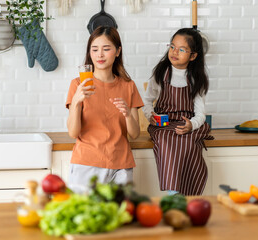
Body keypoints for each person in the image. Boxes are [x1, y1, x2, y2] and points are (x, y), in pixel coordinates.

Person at [65, 26, 144, 191]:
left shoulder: (128, 86)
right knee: (87, 215)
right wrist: (76, 103)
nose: (99, 54)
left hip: (121, 166)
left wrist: (128, 115)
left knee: (120, 216)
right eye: (94, 49)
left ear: (117, 51)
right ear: (90, 53)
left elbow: (135, 134)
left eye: (106, 49)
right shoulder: (78, 85)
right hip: (87, 164)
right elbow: (73, 133)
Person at [143, 28, 213, 196]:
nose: (174, 52)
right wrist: (150, 116)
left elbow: (200, 114)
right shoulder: (160, 74)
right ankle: (173, 192)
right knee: (166, 139)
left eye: (181, 49)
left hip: (186, 124)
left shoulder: (197, 79)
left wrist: (192, 125)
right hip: (164, 125)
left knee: (188, 143)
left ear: (193, 56)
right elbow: (146, 101)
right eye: (172, 46)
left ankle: (189, 193)